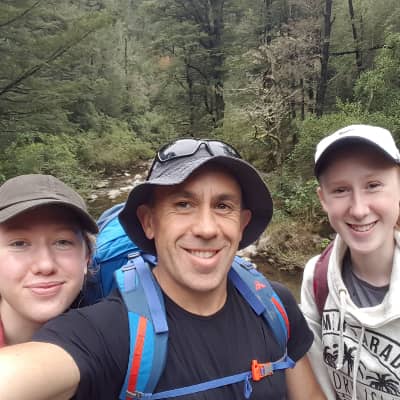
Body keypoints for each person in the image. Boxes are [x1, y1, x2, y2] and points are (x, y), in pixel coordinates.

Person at [0, 139, 325, 400]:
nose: (206, 228)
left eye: (223, 206)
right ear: (149, 222)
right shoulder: (106, 331)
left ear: (242, 224)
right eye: (183, 205)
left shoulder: (274, 306)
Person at [301, 124, 400, 400]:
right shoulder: (316, 278)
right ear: (323, 199)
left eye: (373, 185)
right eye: (340, 190)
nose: (358, 209)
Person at [0, 174, 98, 347]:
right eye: (19, 244)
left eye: (62, 242)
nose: (45, 265)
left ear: (86, 258)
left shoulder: (109, 337)